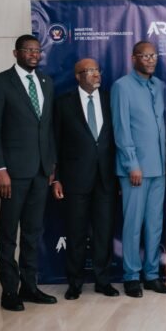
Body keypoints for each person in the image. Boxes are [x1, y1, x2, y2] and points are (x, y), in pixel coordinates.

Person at [0, 34, 57, 311]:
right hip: (13, 173)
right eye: (28, 50)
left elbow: (48, 128)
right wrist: (0, 169)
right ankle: (9, 291)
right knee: (8, 233)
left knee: (32, 232)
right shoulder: (0, 82)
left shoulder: (46, 82)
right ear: (16, 53)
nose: (34, 54)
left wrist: (51, 165)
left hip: (41, 171)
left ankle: (29, 286)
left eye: (37, 50)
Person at [53, 58, 119, 300]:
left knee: (104, 232)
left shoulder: (111, 100)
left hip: (106, 178)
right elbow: (55, 142)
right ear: (77, 76)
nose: (96, 74)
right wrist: (56, 178)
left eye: (97, 70)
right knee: (76, 232)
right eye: (89, 71)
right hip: (75, 179)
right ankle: (75, 283)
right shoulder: (63, 103)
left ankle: (103, 281)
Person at [111, 41, 166, 298]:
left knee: (154, 225)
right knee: (133, 225)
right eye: (144, 56)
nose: (150, 59)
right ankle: (131, 276)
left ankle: (152, 274)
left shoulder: (160, 86)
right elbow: (121, 128)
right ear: (133, 58)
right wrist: (131, 163)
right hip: (135, 170)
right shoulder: (122, 87)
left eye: (153, 55)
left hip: (159, 168)